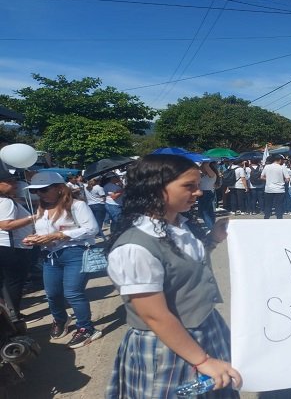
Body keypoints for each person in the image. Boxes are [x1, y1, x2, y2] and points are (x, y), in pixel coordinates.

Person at [105, 154, 241, 398]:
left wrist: (212, 239)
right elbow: (154, 315)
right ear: (155, 188)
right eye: (189, 186)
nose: (198, 192)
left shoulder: (179, 224)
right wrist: (202, 360)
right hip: (167, 344)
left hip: (205, 329)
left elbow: (185, 266)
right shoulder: (135, 247)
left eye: (198, 186)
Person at [22, 171, 102, 348]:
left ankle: (86, 328)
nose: (39, 194)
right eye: (35, 191)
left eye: (43, 189)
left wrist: (60, 234)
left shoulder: (77, 205)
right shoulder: (41, 209)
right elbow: (44, 233)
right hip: (50, 256)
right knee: (52, 294)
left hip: (76, 253)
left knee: (73, 292)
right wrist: (34, 239)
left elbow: (92, 229)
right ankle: (60, 319)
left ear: (59, 188)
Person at [0, 169, 36, 322]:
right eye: (10, 181)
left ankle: (9, 314)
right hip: (11, 248)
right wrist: (33, 217)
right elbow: (6, 225)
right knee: (14, 282)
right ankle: (14, 315)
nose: (15, 183)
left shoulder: (7, 200)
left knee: (6, 283)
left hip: (6, 246)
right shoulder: (6, 202)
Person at [262, 154, 289, 219]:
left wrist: (269, 179)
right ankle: (279, 219)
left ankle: (266, 218)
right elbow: (287, 179)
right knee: (279, 205)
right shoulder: (282, 167)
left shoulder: (267, 167)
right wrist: (282, 180)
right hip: (280, 189)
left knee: (268, 205)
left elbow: (262, 177)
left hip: (268, 189)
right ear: (280, 160)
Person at [198, 162, 218, 229]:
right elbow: (200, 168)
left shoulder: (212, 175)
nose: (202, 169)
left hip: (206, 193)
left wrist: (206, 161)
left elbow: (205, 166)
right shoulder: (205, 175)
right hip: (204, 193)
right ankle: (212, 226)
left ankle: (211, 227)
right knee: (208, 212)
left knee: (204, 212)